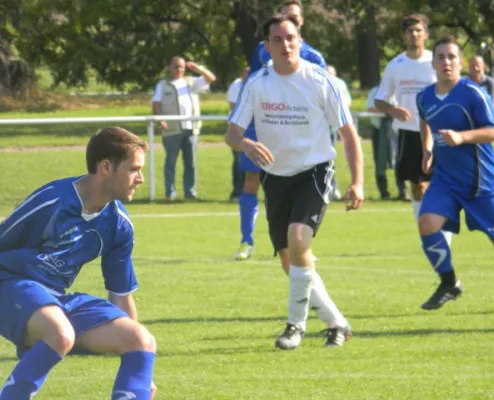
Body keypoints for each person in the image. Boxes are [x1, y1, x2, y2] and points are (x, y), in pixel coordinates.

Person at [0, 127, 157, 399]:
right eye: (134, 169)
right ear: (106, 167)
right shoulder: (53, 200)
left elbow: (120, 294)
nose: (140, 179)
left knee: (142, 340)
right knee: (60, 334)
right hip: (3, 286)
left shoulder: (119, 225)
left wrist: (140, 367)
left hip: (54, 299)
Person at [226, 14, 364, 350]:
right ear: (267, 46)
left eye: (291, 38)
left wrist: (357, 181)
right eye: (278, 39)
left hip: (314, 171)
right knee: (291, 260)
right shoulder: (257, 85)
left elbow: (348, 134)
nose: (286, 45)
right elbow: (232, 133)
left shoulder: (319, 80)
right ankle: (337, 322)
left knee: (299, 238)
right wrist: (246, 144)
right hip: (276, 178)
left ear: (299, 40)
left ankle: (295, 327)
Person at [416, 36, 494, 310]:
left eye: (452, 57)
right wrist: (427, 149)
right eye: (441, 57)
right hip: (446, 179)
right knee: (426, 223)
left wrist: (462, 136)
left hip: (482, 182)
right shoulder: (425, 97)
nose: (446, 62)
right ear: (433, 63)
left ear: (461, 62)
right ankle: (449, 283)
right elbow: (425, 119)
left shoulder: (472, 93)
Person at [234, 0, 326, 261]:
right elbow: (250, 81)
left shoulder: (313, 57)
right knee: (251, 182)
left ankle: (301, 244)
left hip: (298, 133)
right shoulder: (263, 51)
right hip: (260, 124)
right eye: (285, 14)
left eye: (294, 16)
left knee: (301, 185)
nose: (288, 17)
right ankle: (246, 240)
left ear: (301, 22)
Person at [375, 14, 452, 244]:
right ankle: (426, 231)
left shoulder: (436, 61)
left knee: (440, 182)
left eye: (418, 30)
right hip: (409, 133)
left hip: (439, 132)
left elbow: (451, 89)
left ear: (426, 34)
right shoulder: (395, 65)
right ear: (404, 36)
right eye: (410, 31)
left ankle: (443, 230)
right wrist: (392, 109)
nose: (414, 34)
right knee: (417, 184)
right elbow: (380, 100)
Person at [152, 56, 216, 200]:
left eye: (181, 66)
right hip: (172, 129)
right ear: (169, 67)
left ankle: (190, 192)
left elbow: (211, 78)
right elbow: (156, 103)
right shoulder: (163, 84)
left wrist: (198, 68)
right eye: (175, 66)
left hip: (191, 129)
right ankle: (170, 192)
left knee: (190, 163)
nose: (178, 69)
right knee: (170, 162)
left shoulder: (191, 82)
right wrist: (160, 119)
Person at [366, 85, 407, 200]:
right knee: (380, 161)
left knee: (400, 160)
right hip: (380, 130)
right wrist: (391, 111)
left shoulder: (400, 89)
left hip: (398, 130)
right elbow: (371, 108)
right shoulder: (375, 90)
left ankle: (403, 191)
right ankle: (384, 192)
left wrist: (391, 111)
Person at [326, 64, 352, 201]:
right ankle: (328, 188)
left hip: (334, 128)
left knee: (330, 159)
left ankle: (333, 188)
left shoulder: (339, 84)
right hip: (319, 129)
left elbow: (347, 103)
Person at [227, 66, 250, 201]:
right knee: (239, 161)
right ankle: (237, 192)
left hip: (254, 128)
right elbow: (234, 107)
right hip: (238, 129)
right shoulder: (236, 85)